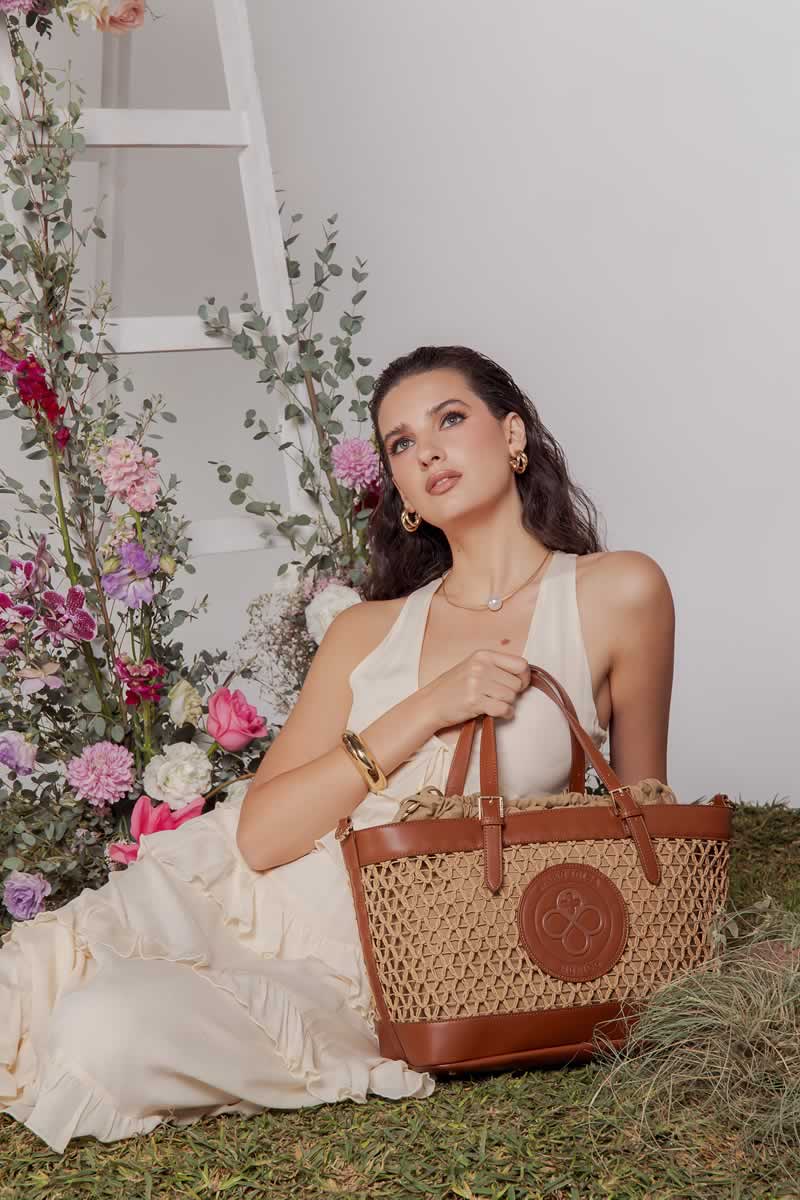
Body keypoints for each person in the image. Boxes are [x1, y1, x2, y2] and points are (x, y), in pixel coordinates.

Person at [0, 344, 675, 1153]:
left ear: (512, 435)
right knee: (27, 985)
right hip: (245, 902)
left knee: (98, 1030)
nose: (427, 452)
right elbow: (260, 837)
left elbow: (649, 822)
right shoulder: (365, 630)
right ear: (402, 491)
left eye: (450, 420)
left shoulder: (617, 591)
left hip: (382, 975)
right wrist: (428, 708)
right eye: (401, 443)